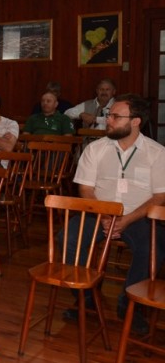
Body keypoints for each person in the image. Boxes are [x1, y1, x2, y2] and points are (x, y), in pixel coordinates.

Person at [61, 93, 165, 334]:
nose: (108, 120)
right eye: (109, 115)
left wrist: (127, 219)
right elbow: (85, 189)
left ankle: (129, 303)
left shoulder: (157, 153)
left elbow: (160, 196)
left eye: (115, 116)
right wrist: (104, 216)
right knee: (68, 239)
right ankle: (86, 299)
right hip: (99, 211)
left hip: (138, 216)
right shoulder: (95, 149)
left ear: (136, 121)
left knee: (155, 247)